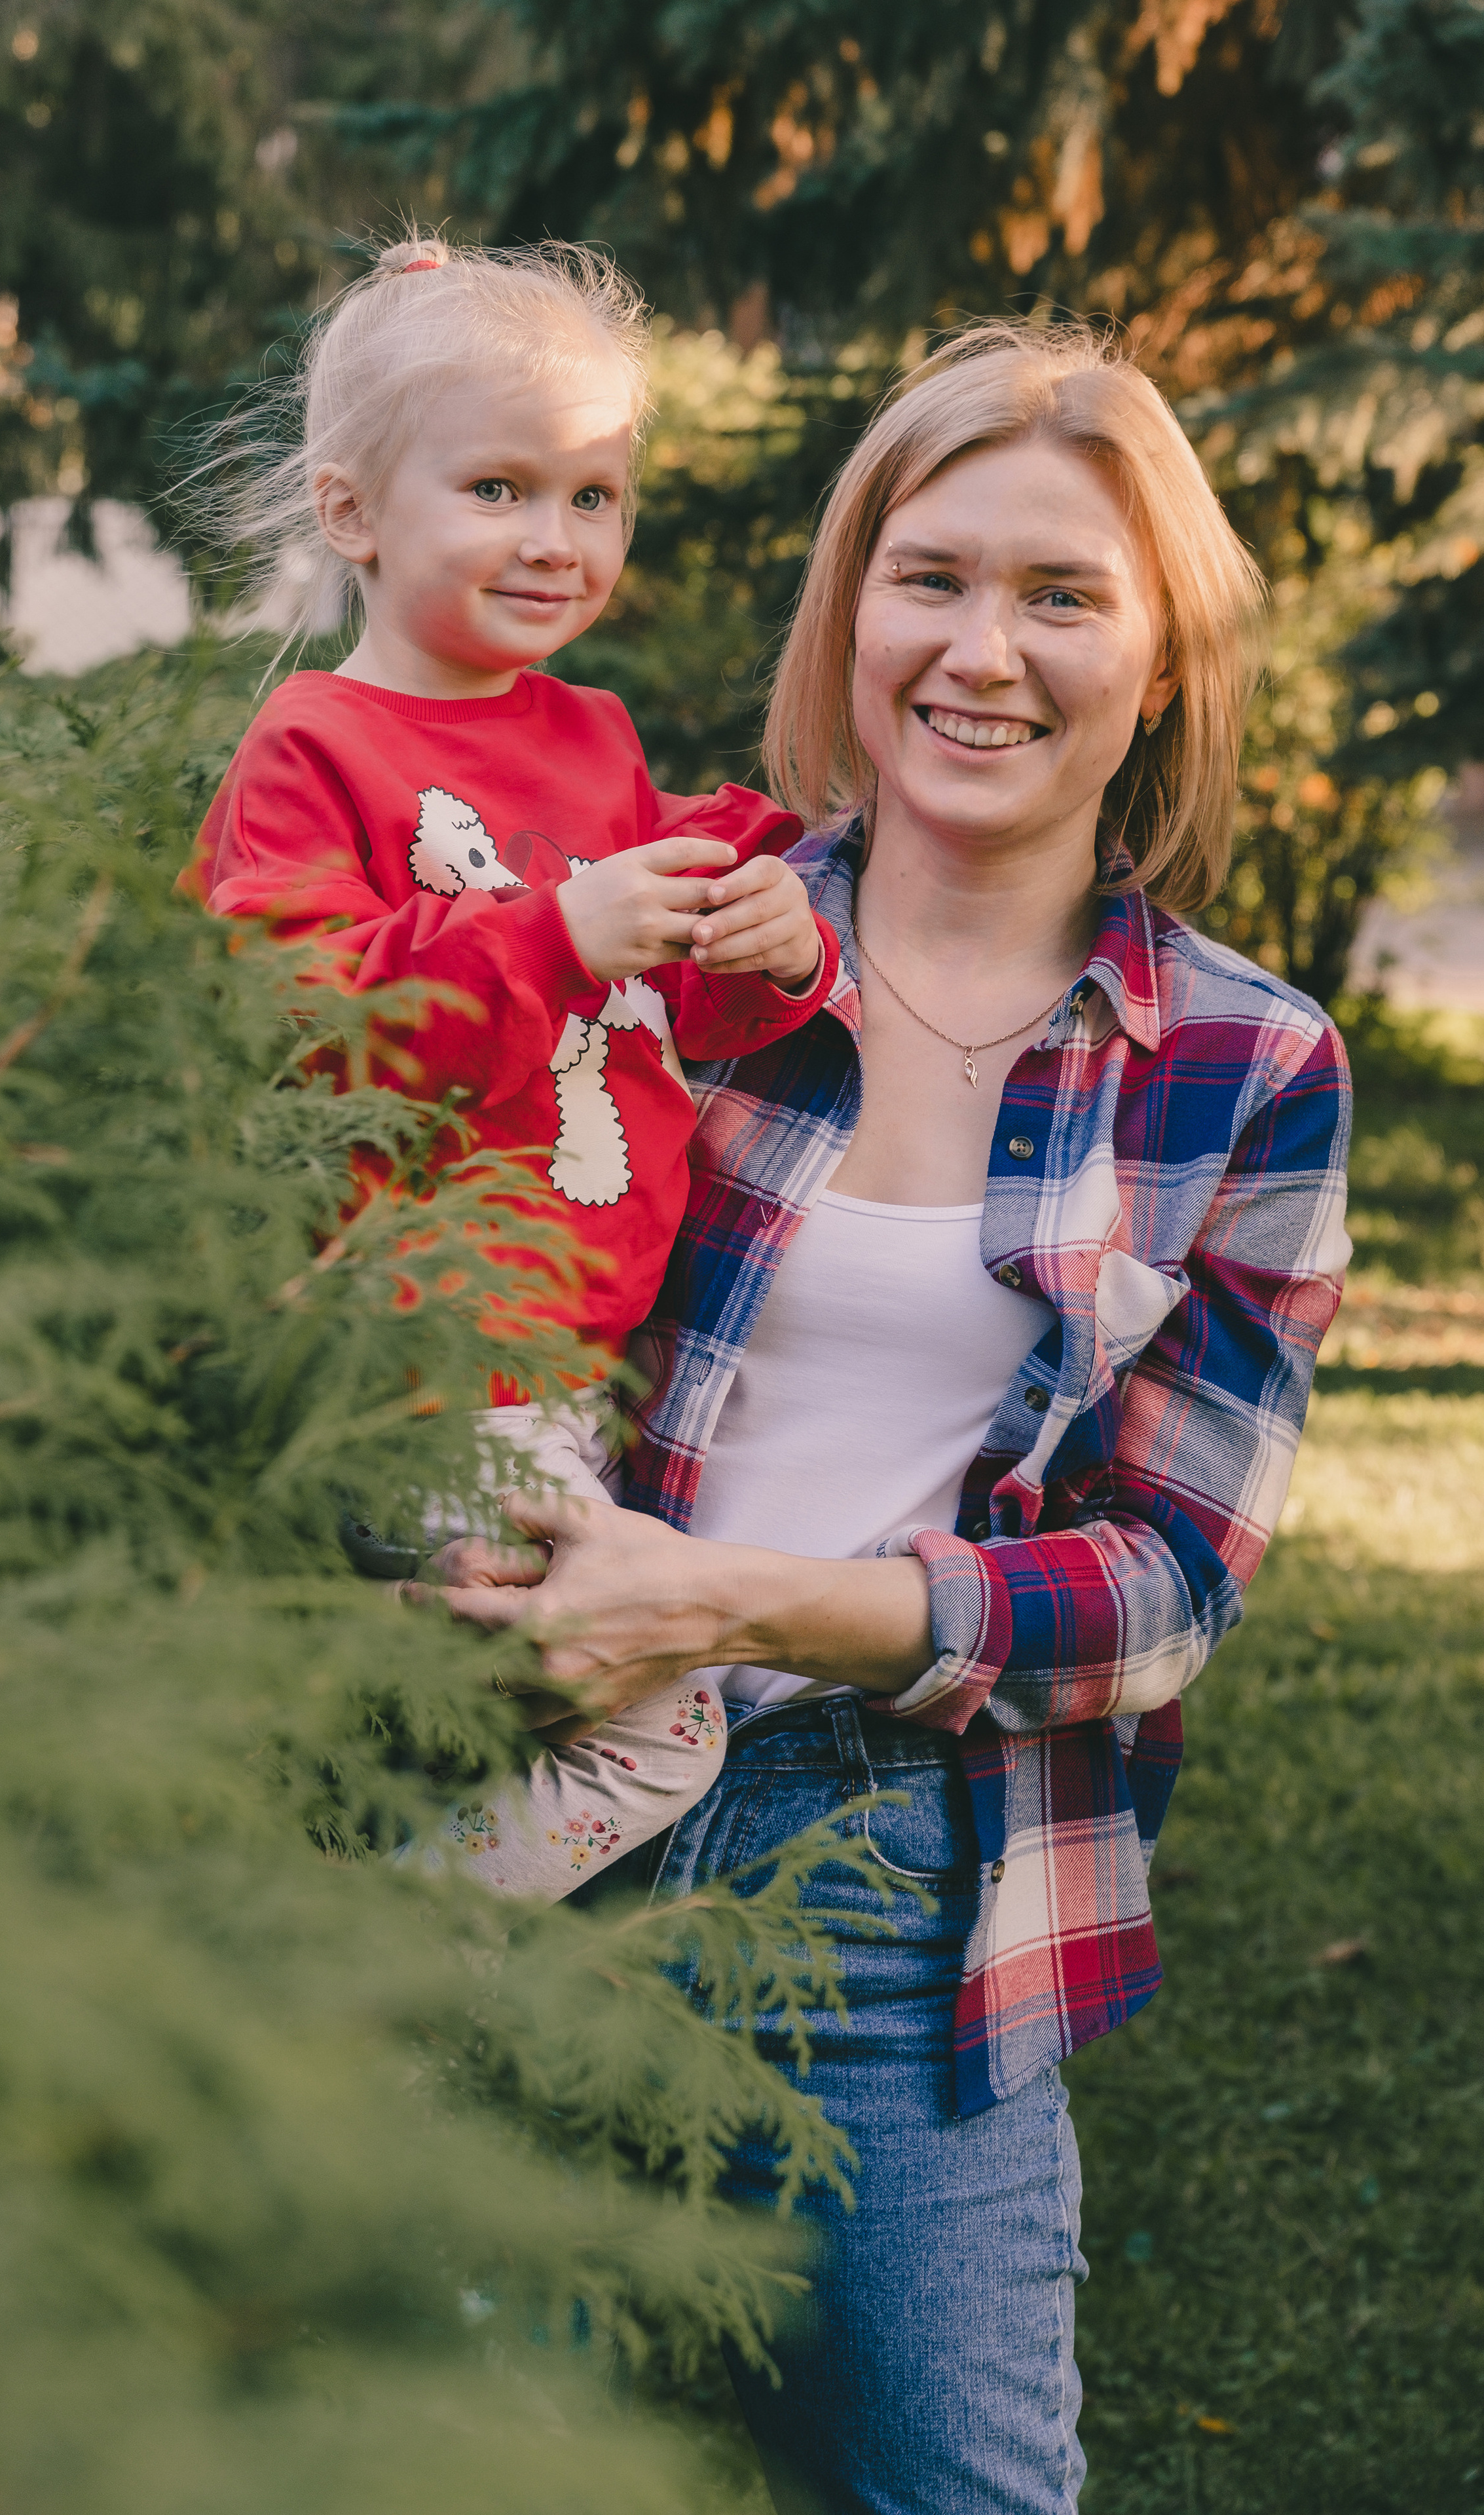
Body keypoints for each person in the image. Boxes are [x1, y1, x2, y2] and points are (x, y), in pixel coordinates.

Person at [436, 320, 1353, 2513]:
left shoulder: (1245, 1065)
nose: (981, 653)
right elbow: (404, 1254)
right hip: (522, 1844)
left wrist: (721, 1599)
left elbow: (1161, 1587)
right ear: (850, 604)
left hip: (914, 1901)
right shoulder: (671, 930)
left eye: (1064, 598)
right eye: (928, 577)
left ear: (1162, 664)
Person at [187, 233, 841, 1897]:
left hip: (559, 1372)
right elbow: (303, 1026)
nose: (557, 541)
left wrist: (771, 942)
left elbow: (646, 1017)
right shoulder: (314, 748)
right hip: (421, 1360)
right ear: (353, 513)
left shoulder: (590, 738)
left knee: (455, 1709)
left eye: (595, 497)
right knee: (650, 1725)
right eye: (498, 487)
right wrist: (556, 933)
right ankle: (382, 1973)